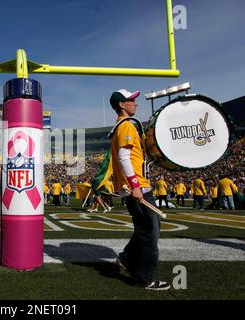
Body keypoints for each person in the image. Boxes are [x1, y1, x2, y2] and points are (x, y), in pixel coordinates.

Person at [109, 89, 170, 290]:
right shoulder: (126, 126)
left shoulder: (124, 126)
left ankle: (127, 258)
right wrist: (135, 186)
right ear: (122, 105)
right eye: (131, 100)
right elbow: (124, 157)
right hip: (137, 187)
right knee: (150, 232)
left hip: (136, 185)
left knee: (146, 229)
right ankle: (143, 277)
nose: (135, 103)